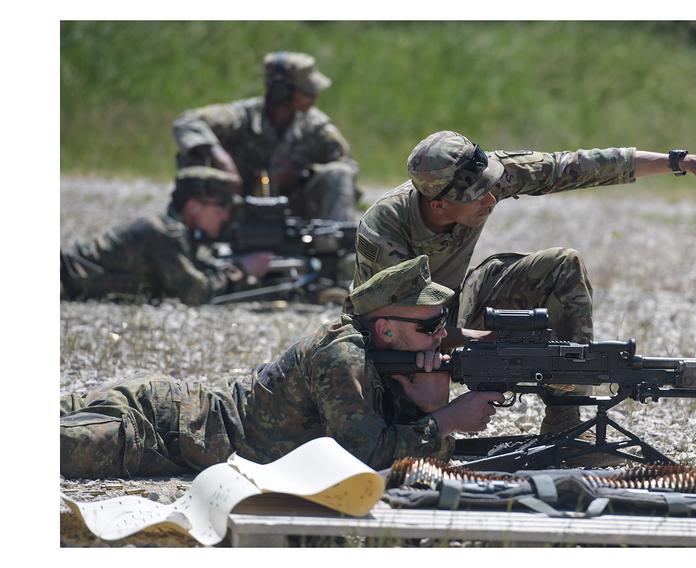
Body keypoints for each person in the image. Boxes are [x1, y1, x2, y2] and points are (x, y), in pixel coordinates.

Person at [352, 130, 696, 435]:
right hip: (398, 331)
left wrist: (682, 162)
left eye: (493, 188)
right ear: (438, 204)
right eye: (480, 198)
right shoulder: (385, 228)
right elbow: (392, 327)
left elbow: (573, 166)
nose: (492, 200)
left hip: (452, 305)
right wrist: (485, 339)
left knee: (563, 264)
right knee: (410, 422)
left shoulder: (478, 179)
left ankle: (565, 419)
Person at [60, 256, 504, 477]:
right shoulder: (342, 356)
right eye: (431, 325)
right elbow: (365, 458)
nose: (443, 335)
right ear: (385, 330)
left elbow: (386, 447)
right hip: (154, 431)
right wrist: (446, 419)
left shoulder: (378, 352)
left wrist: (424, 405)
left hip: (170, 413)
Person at [172, 51, 360, 221]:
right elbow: (187, 122)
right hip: (232, 209)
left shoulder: (315, 126)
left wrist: (302, 175)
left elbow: (348, 168)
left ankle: (338, 249)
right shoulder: (242, 117)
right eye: (306, 91)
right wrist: (223, 161)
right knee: (195, 154)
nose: (314, 97)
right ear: (281, 91)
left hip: (298, 212)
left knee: (338, 174)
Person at [60, 166, 272, 305]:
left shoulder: (179, 233)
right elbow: (196, 292)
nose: (225, 215)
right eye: (221, 207)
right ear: (193, 207)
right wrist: (243, 269)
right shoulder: (165, 233)